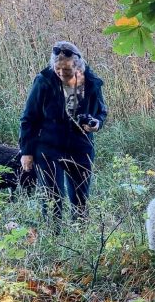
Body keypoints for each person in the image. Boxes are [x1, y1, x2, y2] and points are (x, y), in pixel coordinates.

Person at [19, 41, 108, 226]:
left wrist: (96, 124)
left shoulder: (92, 82)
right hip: (48, 148)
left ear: (78, 66)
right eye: (57, 68)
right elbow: (29, 118)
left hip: (81, 147)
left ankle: (81, 239)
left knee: (80, 200)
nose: (60, 73)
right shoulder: (44, 81)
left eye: (66, 69)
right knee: (52, 199)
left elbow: (101, 112)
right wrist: (26, 152)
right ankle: (53, 239)